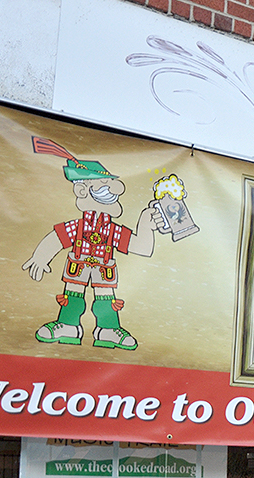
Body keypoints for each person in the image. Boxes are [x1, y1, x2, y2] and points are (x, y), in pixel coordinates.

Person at [23, 137, 161, 351]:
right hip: (77, 264)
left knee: (106, 299)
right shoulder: (78, 226)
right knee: (73, 295)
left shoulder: (113, 230)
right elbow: (57, 238)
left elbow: (141, 248)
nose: (113, 191)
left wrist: (146, 224)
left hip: (104, 268)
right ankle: (68, 326)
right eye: (103, 185)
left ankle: (107, 330)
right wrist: (41, 257)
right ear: (82, 190)